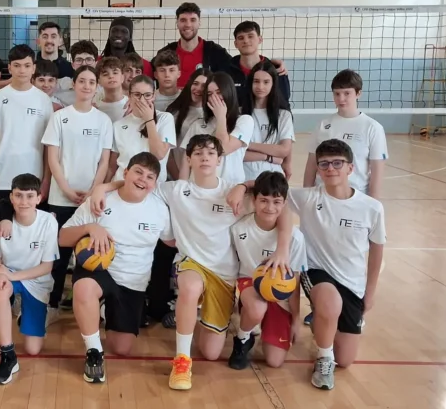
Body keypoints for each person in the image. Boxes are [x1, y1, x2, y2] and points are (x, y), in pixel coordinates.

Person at [99, 136, 280, 389]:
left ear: (220, 159)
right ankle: (182, 359)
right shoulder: (176, 190)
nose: (204, 157)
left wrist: (244, 184)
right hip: (190, 263)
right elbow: (135, 184)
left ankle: (230, 327)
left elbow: (281, 208)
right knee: (190, 287)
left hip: (224, 274)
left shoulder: (236, 193)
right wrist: (102, 188)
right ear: (189, 159)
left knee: (211, 353)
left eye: (210, 153)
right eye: (197, 153)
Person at [279, 139, 385, 390]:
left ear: (351, 168)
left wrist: (369, 294)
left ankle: (326, 322)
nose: (330, 168)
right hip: (316, 271)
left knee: (346, 360)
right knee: (329, 303)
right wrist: (241, 186)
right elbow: (270, 190)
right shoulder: (306, 198)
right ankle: (324, 358)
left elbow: (377, 252)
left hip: (352, 283)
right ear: (317, 169)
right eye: (324, 164)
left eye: (338, 163)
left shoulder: (371, 208)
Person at [59, 152, 173, 382]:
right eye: (138, 172)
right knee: (83, 289)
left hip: (133, 279)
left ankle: (101, 310)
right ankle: (94, 352)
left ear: (155, 184)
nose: (142, 179)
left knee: (122, 348)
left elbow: (172, 241)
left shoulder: (160, 209)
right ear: (126, 172)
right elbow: (62, 238)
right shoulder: (101, 201)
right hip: (99, 268)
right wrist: (90, 227)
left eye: (150, 177)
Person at [41, 65, 113, 318]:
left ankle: (93, 306)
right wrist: (66, 189)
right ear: (74, 84)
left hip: (92, 199)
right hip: (62, 196)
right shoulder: (60, 117)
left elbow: (105, 161)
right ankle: (51, 304)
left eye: (91, 82)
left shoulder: (103, 120)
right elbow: (53, 159)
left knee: (92, 253)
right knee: (58, 255)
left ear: (97, 87)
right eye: (81, 81)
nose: (86, 85)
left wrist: (95, 191)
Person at [0, 173, 60, 383]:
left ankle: (21, 314)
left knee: (33, 349)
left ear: (39, 198)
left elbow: (46, 267)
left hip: (36, 281)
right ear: (11, 198)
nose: (24, 201)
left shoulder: (48, 222)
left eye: (29, 196)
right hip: (10, 276)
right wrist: (0, 271)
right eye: (18, 196)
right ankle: (7, 354)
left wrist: (10, 274)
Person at [227, 171, 307, 370]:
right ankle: (243, 338)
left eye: (276, 202)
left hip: (279, 292)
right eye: (263, 200)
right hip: (250, 283)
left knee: (274, 361)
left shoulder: (295, 239)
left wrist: (296, 319)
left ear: (284, 203)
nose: (270, 207)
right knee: (256, 309)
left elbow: (294, 281)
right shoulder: (239, 229)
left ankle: (263, 322)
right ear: (254, 201)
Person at [0, 44, 54, 206]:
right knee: (2, 228)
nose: (22, 70)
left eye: (27, 66)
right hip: (2, 178)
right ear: (9, 67)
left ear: (33, 68)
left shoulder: (43, 100)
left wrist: (46, 180)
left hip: (33, 179)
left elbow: (49, 145)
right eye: (17, 65)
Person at [303, 69, 387, 198]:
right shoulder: (323, 125)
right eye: (337, 94)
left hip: (356, 195)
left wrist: (373, 203)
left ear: (358, 93)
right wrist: (306, 196)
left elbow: (377, 171)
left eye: (347, 93)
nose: (341, 99)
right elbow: (311, 164)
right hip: (323, 195)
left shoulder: (372, 127)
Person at [179, 71, 253, 185]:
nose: (214, 97)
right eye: (209, 94)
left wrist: (221, 117)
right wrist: (181, 188)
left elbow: (223, 149)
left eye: (219, 92)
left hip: (230, 189)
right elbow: (185, 160)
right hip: (198, 189)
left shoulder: (244, 121)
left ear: (229, 92)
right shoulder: (198, 124)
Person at [110, 75, 177, 184]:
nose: (142, 100)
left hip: (151, 188)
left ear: (154, 96)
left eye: (147, 95)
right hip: (122, 184)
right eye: (137, 95)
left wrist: (149, 120)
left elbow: (159, 154)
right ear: (129, 96)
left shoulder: (165, 119)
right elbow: (111, 166)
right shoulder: (118, 125)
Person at [241, 61, 295, 181]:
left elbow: (284, 150)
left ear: (273, 84)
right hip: (243, 178)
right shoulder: (239, 114)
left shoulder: (283, 115)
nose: (260, 87)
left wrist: (248, 145)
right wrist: (268, 157)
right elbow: (236, 154)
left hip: (273, 180)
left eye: (266, 82)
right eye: (256, 81)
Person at [161, 3, 232, 85]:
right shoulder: (165, 52)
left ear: (199, 23)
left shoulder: (216, 52)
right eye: (183, 20)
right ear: (177, 23)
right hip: (173, 98)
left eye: (193, 20)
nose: (188, 25)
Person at [225, 21, 291, 104]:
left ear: (260, 39)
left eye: (250, 36)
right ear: (236, 44)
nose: (245, 41)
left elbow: (283, 101)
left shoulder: (276, 70)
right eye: (241, 38)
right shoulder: (226, 71)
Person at [165, 69, 209, 180]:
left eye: (204, 86)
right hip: (175, 176)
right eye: (195, 83)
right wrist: (179, 179)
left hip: (200, 178)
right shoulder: (175, 112)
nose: (198, 89)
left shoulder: (212, 115)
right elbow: (168, 151)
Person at [55, 40, 100, 107]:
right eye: (79, 60)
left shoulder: (105, 89)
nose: (84, 64)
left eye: (89, 59)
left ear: (96, 64)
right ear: (73, 65)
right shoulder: (60, 85)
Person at [95, 56, 127, 122]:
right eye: (105, 74)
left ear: (122, 77)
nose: (111, 76)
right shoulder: (95, 108)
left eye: (115, 73)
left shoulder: (131, 104)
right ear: (99, 81)